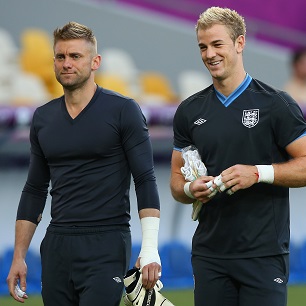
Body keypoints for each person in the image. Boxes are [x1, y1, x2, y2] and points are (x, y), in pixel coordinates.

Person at [6, 21, 161, 306]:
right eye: (61, 57)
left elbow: (145, 179)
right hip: (57, 245)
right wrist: (19, 256)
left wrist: (150, 248)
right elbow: (34, 190)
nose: (67, 63)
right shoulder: (43, 118)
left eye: (75, 56)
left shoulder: (123, 110)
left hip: (107, 242)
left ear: (94, 62)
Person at [170, 6, 306, 306]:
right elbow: (177, 183)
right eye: (203, 47)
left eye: (217, 44)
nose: (209, 54)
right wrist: (192, 189)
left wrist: (258, 173)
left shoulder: (277, 105)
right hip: (209, 256)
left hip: (264, 255)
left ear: (240, 43)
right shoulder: (189, 111)